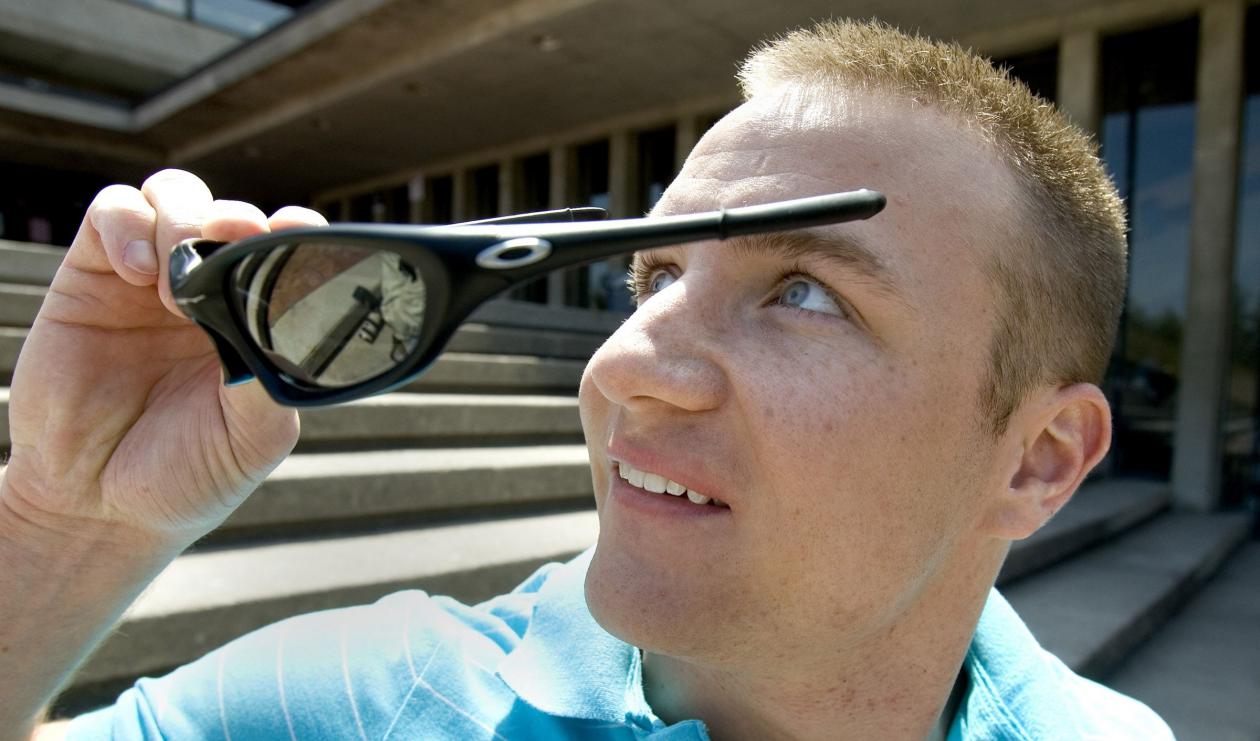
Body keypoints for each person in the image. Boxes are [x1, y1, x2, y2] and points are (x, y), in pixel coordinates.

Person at [1, 19, 1173, 740]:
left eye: (805, 291)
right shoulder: (357, 703)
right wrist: (66, 520)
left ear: (1038, 460)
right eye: (654, 272)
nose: (625, 364)